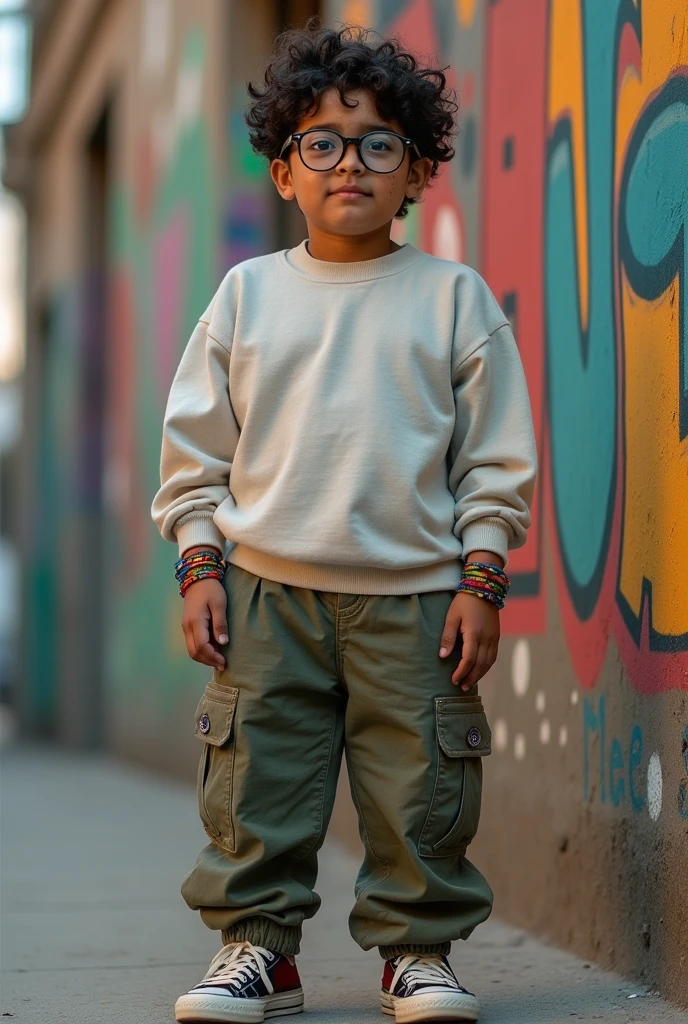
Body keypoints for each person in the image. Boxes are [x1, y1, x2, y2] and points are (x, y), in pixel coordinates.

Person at [151, 19, 536, 1024]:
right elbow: (196, 451)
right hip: (265, 593)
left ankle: (416, 953)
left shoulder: (452, 300)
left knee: (420, 791)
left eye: (377, 144)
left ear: (415, 170)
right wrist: (200, 566)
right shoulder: (246, 297)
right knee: (255, 783)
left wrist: (480, 579)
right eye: (319, 142)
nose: (348, 163)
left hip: (414, 598)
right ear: (285, 172)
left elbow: (494, 458)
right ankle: (256, 951)